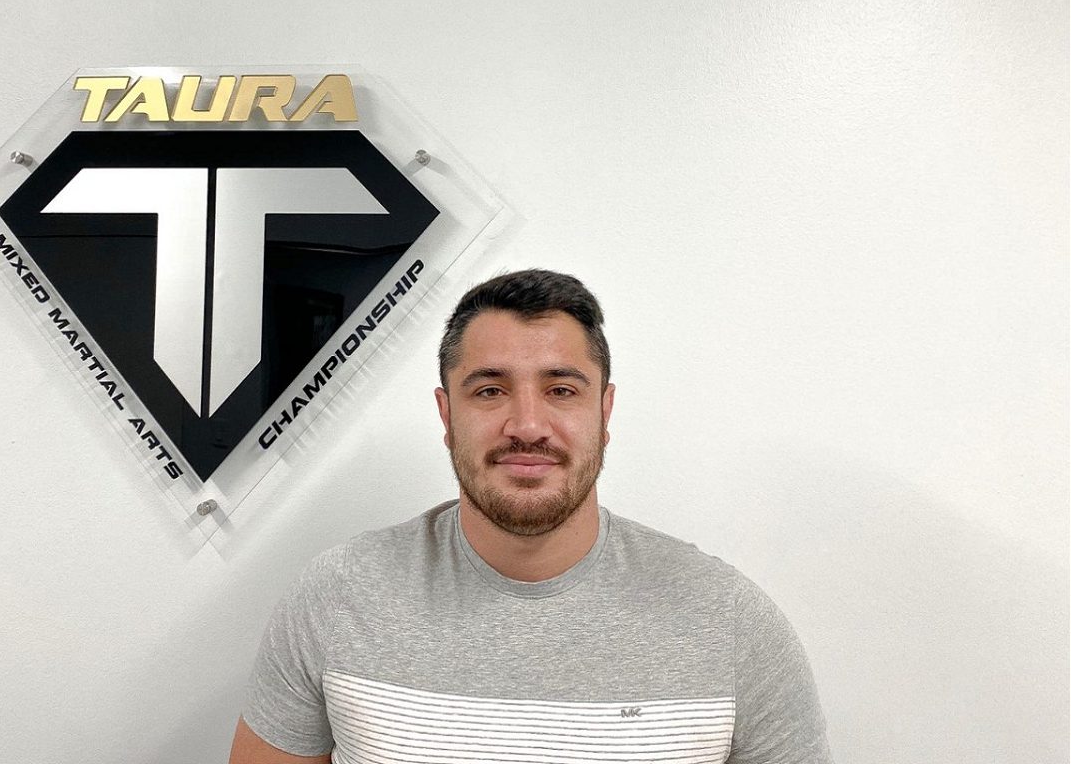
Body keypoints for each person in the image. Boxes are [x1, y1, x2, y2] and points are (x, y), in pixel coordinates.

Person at [229, 269, 832, 764]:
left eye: (561, 390)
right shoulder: (337, 597)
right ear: (446, 415)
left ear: (605, 411)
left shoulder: (729, 622)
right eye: (489, 390)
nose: (527, 425)